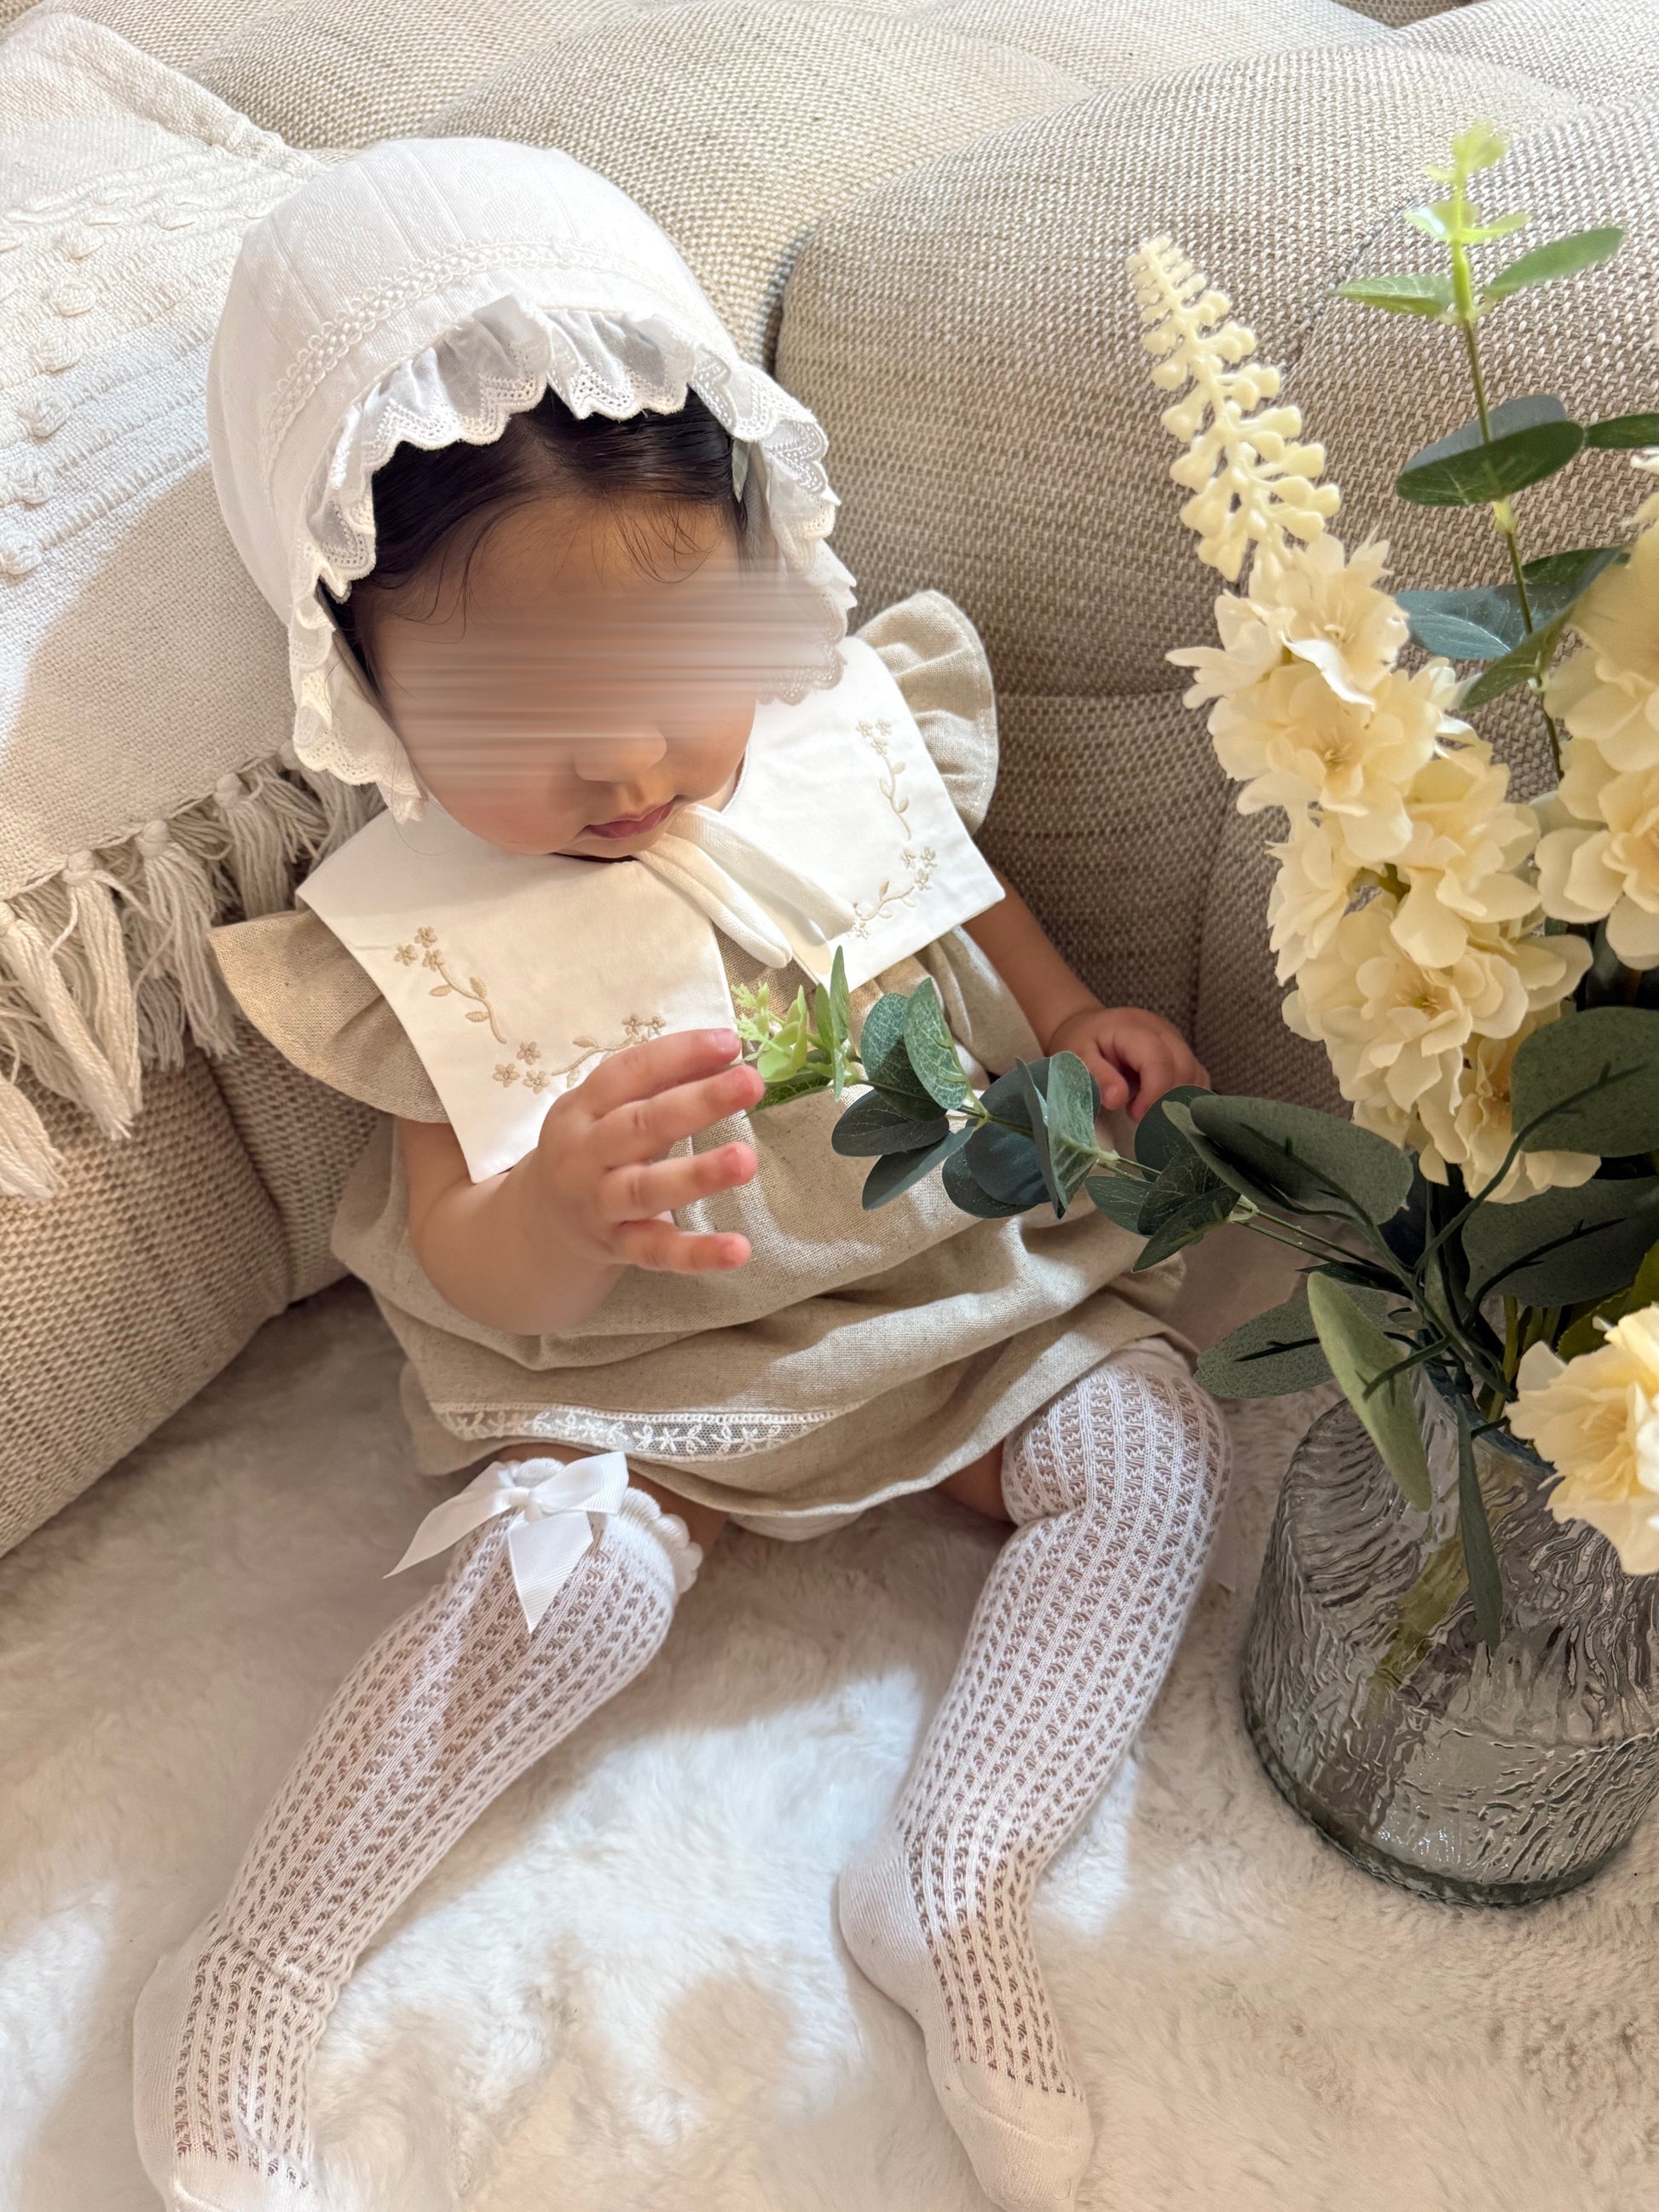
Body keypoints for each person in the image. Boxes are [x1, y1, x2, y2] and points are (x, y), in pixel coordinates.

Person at [132, 137, 1231, 2212]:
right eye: (532, 715)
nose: (628, 766)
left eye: (672, 678)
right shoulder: (435, 912)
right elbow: (467, 1253)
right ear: (366, 682)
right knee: (572, 1582)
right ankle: (262, 1950)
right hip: (648, 1378)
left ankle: (958, 1863)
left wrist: (1083, 1036)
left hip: (951, 1296)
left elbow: (968, 919)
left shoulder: (844, 730)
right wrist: (557, 1216)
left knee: (1151, 1443)